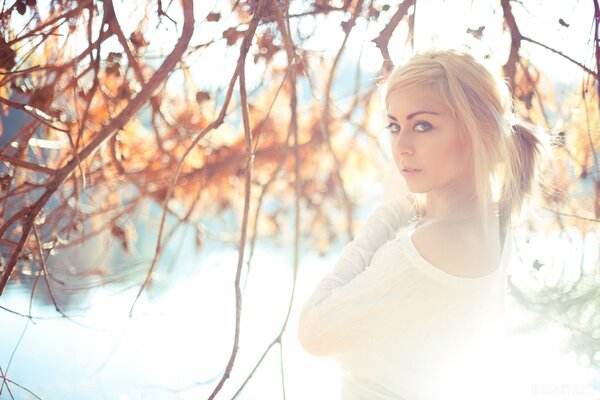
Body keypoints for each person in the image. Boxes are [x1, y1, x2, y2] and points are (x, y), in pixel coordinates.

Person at [297, 49, 547, 399]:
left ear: (479, 133)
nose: (401, 146)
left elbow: (315, 331)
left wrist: (388, 214)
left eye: (423, 125)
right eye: (394, 126)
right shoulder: (493, 218)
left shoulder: (437, 243)